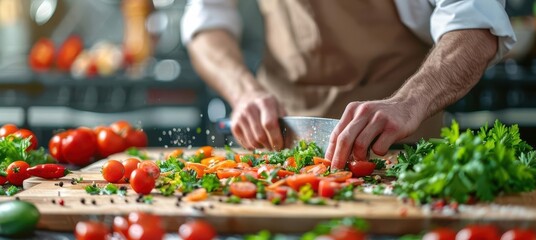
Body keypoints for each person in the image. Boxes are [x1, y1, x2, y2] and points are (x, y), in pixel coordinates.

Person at [181, 0, 516, 170]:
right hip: (277, 146)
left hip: (399, 147)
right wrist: (244, 92)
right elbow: (207, 21)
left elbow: (476, 22)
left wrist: (409, 103)